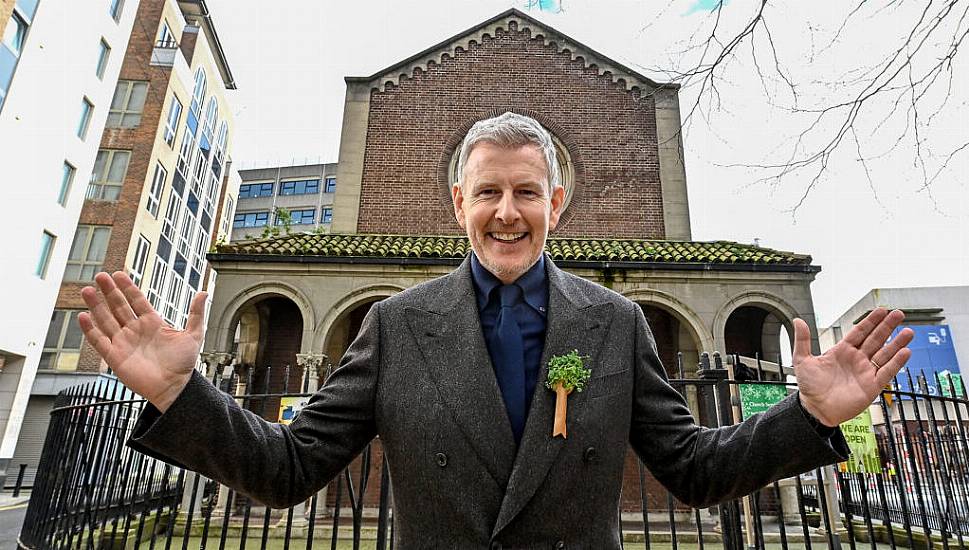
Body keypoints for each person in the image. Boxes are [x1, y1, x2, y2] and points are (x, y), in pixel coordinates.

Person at [78, 112, 914, 549]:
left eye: (525, 192)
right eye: (487, 192)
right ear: (458, 205)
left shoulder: (614, 323)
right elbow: (289, 468)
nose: (506, 213)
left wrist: (810, 419)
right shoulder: (398, 325)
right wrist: (181, 396)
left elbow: (694, 471)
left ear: (556, 203)